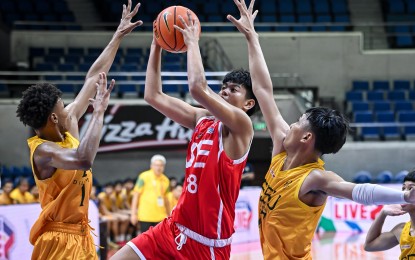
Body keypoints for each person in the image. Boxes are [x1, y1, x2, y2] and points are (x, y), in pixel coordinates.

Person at [227, 0, 415, 259]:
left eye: (297, 122)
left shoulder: (315, 178)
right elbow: (263, 92)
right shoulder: (282, 147)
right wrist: (252, 38)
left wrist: (405, 195)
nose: (289, 124)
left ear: (306, 136)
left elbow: (359, 192)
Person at [111, 3, 259, 259]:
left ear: (248, 104)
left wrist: (192, 43)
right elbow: (152, 95)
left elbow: (197, 88)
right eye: (224, 86)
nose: (224, 91)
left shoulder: (241, 127)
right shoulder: (202, 119)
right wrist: (157, 45)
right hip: (173, 228)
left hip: (208, 244)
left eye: (234, 89)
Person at [15, 1, 142, 258]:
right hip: (58, 238)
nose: (69, 107)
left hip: (81, 234)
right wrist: (98, 114)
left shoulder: (68, 123)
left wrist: (117, 36)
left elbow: (93, 77)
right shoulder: (43, 152)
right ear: (53, 117)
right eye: (63, 105)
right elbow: (83, 159)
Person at [364, 170, 415, 258]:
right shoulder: (401, 230)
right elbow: (369, 245)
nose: (404, 193)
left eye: (410, 189)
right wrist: (382, 214)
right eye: (403, 188)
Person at [129, 154, 171, 234]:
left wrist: (169, 215)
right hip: (145, 216)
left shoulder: (166, 180)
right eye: (156, 165)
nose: (159, 167)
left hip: (161, 216)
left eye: (161, 165)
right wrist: (133, 214)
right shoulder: (143, 176)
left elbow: (166, 200)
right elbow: (136, 195)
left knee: (159, 240)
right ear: (151, 166)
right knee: (145, 241)